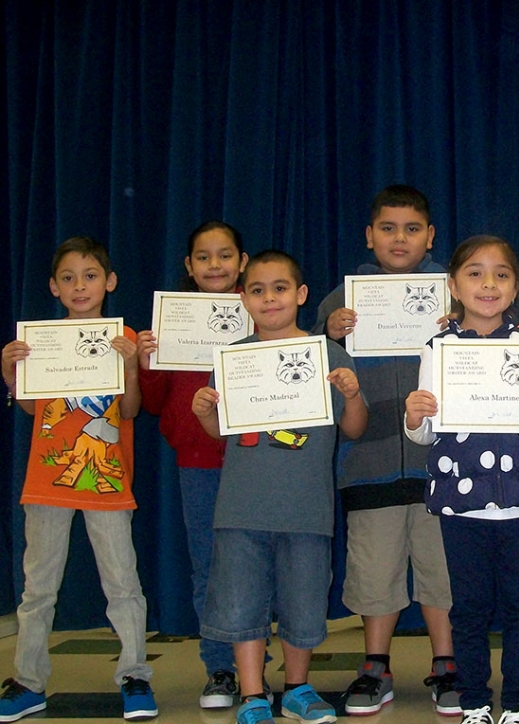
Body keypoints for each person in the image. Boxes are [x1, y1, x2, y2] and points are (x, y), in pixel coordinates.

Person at [404, 235, 519, 724]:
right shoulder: (438, 349)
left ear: (516, 287)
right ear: (453, 285)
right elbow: (425, 435)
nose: (488, 284)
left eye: (501, 274)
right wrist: (415, 416)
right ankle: (475, 700)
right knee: (470, 609)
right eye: (475, 273)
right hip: (463, 504)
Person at [192, 250, 368, 724]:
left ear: (301, 294)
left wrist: (351, 395)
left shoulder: (328, 353)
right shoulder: (233, 359)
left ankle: (296, 688)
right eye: (257, 290)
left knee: (304, 600)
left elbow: (354, 429)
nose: (269, 298)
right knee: (241, 602)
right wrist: (206, 410)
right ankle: (252, 695)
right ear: (243, 299)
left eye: (280, 288)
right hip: (241, 508)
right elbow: (218, 433)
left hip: (306, 508)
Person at [311, 185, 458, 716]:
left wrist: (457, 329)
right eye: (389, 229)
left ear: (430, 236)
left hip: (441, 462)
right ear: (369, 235)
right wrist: (328, 333)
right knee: (375, 571)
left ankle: (447, 663)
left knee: (442, 568)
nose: (401, 239)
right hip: (367, 463)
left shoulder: (453, 293)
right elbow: (304, 368)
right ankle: (375, 665)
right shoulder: (340, 301)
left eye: (413, 228)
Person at [0, 237, 157, 722]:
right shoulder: (42, 340)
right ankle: (28, 681)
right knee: (37, 588)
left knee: (123, 584)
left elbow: (129, 410)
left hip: (106, 481)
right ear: (53, 287)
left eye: (90, 276)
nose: (79, 286)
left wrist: (131, 363)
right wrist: (11, 370)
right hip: (47, 481)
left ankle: (134, 676)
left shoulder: (123, 338)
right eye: (68, 278)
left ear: (109, 283)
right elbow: (31, 408)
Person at [136, 221, 247, 709]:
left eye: (225, 256)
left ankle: (255, 666)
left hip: (257, 460)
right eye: (204, 257)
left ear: (242, 262)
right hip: (198, 463)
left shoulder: (260, 311)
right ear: (189, 266)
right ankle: (220, 669)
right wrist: (147, 361)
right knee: (210, 568)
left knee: (257, 566)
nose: (215, 265)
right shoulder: (172, 324)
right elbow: (157, 404)